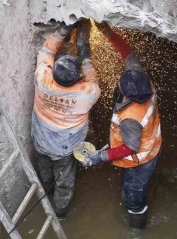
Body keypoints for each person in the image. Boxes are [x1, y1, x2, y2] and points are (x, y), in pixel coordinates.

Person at [83, 23, 162, 229]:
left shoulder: (130, 118)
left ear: (127, 94)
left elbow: (130, 147)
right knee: (141, 185)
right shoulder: (142, 80)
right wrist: (106, 31)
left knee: (133, 198)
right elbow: (127, 53)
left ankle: (137, 228)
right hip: (152, 147)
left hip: (139, 160)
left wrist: (99, 157)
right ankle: (147, 189)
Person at [31, 20, 101, 218]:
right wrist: (85, 55)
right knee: (64, 180)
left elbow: (46, 51)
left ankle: (46, 197)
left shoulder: (42, 80)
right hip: (64, 149)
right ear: (76, 78)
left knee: (45, 172)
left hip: (40, 141)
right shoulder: (87, 93)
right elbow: (92, 79)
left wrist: (63, 30)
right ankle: (60, 212)